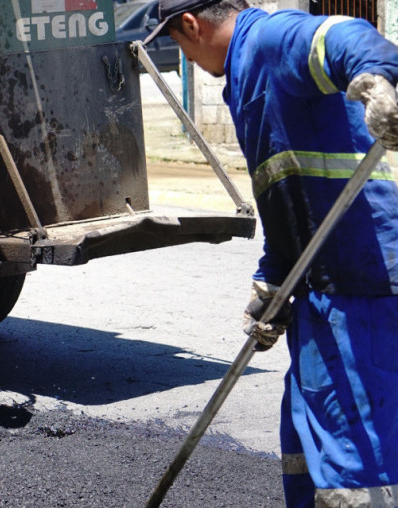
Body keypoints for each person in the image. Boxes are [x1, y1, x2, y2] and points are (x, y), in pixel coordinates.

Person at [143, 1, 398, 506]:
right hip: (318, 283)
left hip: (356, 282)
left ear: (190, 25)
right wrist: (272, 284)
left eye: (177, 43)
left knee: (352, 463)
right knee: (303, 438)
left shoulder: (269, 39)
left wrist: (377, 78)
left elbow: (342, 34)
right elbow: (287, 197)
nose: (186, 59)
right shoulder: (245, 74)